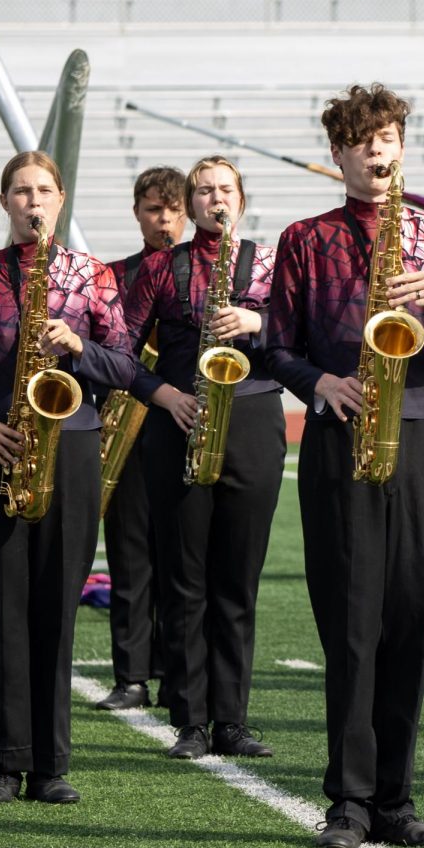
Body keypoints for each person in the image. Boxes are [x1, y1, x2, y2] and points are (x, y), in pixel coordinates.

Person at [266, 83, 424, 848]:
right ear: (339, 153)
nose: (376, 148)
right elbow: (275, 345)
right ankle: (348, 802)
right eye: (361, 138)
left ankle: (396, 798)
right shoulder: (305, 238)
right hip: (342, 438)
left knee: (409, 624)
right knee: (352, 628)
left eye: (387, 135)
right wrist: (319, 383)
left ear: (401, 146)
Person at [0, 151, 137, 804]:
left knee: (56, 610)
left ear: (61, 199)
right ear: (5, 201)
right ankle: (3, 762)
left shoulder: (93, 276)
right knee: (1, 609)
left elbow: (127, 368)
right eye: (21, 191)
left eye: (44, 191)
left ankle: (51, 766)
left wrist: (80, 349)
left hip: (71, 451)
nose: (33, 202)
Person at [123, 155, 283, 761]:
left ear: (241, 199)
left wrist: (257, 322)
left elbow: (302, 338)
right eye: (204, 191)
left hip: (253, 420)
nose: (215, 199)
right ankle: (190, 720)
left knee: (237, 580)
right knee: (184, 579)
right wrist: (163, 394)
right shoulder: (163, 267)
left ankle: (233, 721)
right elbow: (118, 350)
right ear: (190, 204)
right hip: (180, 420)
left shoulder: (270, 263)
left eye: (225, 189)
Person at [95, 166, 187, 712]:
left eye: (174, 210)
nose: (166, 221)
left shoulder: (201, 271)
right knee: (129, 557)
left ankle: (179, 675)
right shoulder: (113, 275)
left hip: (180, 426)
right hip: (128, 424)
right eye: (155, 210)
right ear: (137, 213)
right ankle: (131, 676)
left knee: (182, 559)